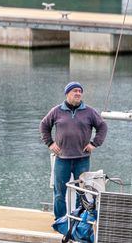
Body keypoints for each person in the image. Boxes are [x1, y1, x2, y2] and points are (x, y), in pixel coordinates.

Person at [40, 82, 108, 228]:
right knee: (59, 193)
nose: (78, 93)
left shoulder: (89, 112)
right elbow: (44, 126)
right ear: (67, 93)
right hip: (62, 159)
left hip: (82, 159)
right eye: (74, 91)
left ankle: (77, 221)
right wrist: (50, 143)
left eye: (80, 91)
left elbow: (102, 127)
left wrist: (94, 144)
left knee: (81, 193)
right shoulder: (56, 111)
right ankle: (60, 222)